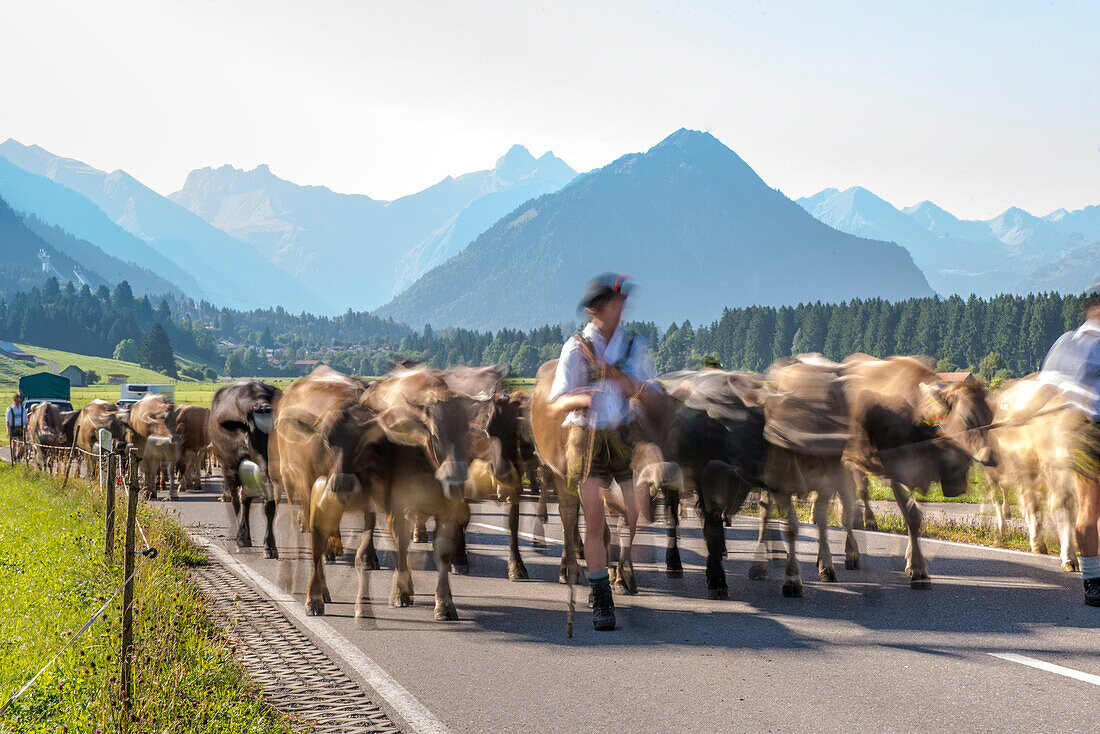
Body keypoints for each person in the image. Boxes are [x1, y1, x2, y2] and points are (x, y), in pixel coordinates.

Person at [547, 273, 655, 630]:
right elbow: (556, 403)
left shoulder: (632, 345)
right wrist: (581, 397)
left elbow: (645, 391)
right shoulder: (574, 347)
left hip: (621, 433)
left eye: (622, 301)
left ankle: (621, 556)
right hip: (585, 433)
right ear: (597, 309)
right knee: (593, 518)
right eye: (614, 302)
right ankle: (601, 598)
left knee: (636, 512)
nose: (621, 307)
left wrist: (609, 374)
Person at [1033, 292, 1100, 607]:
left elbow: (1047, 388)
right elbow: (1047, 388)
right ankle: (1092, 582)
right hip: (1087, 430)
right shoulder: (1071, 343)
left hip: (1084, 427)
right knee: (1089, 508)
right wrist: (1022, 414)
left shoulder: (1068, 343)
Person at [6, 391, 27, 462]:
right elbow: (8, 421)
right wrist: (8, 430)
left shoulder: (23, 409)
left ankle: (19, 455)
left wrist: (26, 428)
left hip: (21, 427)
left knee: (22, 443)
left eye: (19, 398)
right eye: (17, 398)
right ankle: (13, 456)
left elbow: (25, 420)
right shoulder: (10, 409)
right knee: (14, 443)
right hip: (13, 427)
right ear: (14, 399)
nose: (19, 399)